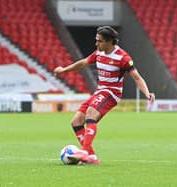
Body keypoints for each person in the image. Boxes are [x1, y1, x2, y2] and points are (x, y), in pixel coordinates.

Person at [54, 26, 155, 164]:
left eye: (99, 41)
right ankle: (92, 157)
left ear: (110, 41)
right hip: (100, 91)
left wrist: (147, 93)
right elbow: (83, 63)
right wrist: (64, 70)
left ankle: (84, 152)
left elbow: (136, 77)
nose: (96, 44)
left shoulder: (122, 57)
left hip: (112, 93)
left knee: (91, 113)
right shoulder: (98, 53)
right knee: (76, 122)